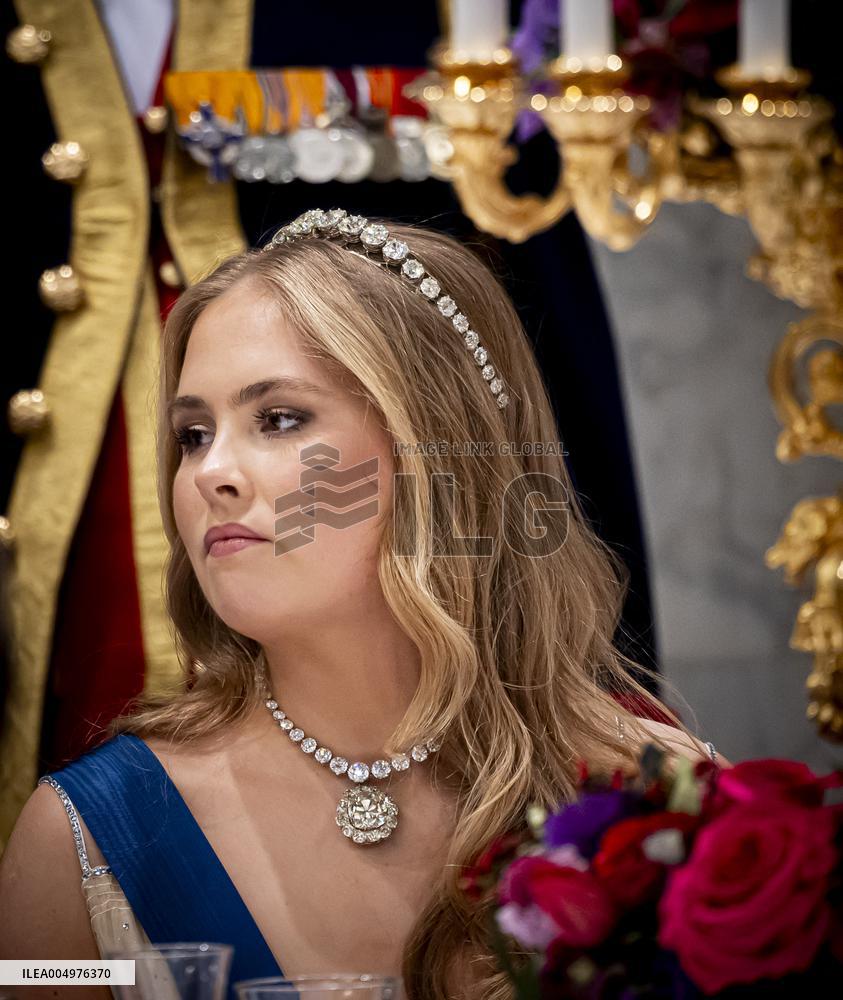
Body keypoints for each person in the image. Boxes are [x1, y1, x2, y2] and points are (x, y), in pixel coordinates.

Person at [0, 209, 729, 999]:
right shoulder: (80, 842)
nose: (211, 472)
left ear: (436, 450)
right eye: (192, 434)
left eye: (278, 419)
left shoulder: (656, 795)